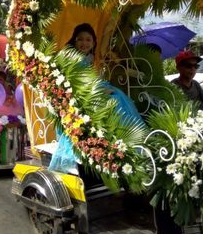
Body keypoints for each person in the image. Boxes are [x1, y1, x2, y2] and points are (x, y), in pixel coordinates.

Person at [49, 23, 145, 174]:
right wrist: (98, 91)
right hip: (79, 95)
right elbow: (72, 83)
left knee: (118, 97)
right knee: (114, 100)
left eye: (88, 40)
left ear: (93, 42)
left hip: (93, 89)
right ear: (74, 41)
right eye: (80, 39)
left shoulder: (89, 57)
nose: (84, 43)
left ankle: (126, 143)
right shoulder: (70, 57)